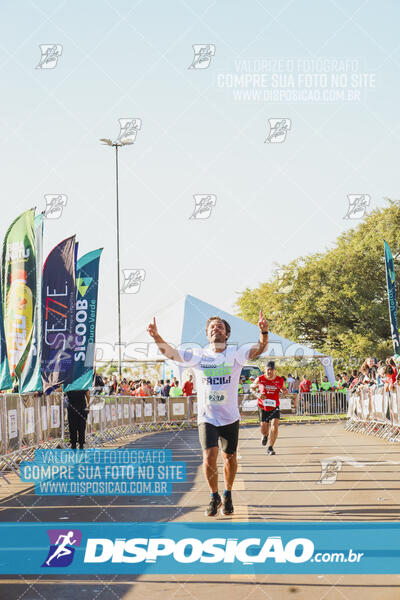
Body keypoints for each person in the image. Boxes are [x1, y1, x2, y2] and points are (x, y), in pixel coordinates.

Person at [147, 310, 269, 517]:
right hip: (207, 416)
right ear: (207, 335)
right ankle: (214, 496)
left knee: (229, 458)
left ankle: (227, 493)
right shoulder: (198, 355)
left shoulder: (236, 354)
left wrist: (264, 332)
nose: (215, 329)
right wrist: (156, 337)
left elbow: (260, 348)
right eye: (212, 327)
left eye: (220, 326)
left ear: (226, 334)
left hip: (230, 416)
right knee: (209, 457)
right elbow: (171, 353)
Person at [251, 361, 287, 455]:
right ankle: (265, 435)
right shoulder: (260, 379)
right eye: (268, 370)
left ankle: (270, 447)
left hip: (275, 406)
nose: (269, 372)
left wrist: (285, 391)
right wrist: (258, 394)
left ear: (275, 370)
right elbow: (252, 388)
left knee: (274, 426)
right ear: (265, 370)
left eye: (271, 370)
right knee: (264, 429)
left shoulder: (279, 380)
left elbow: (284, 388)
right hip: (263, 406)